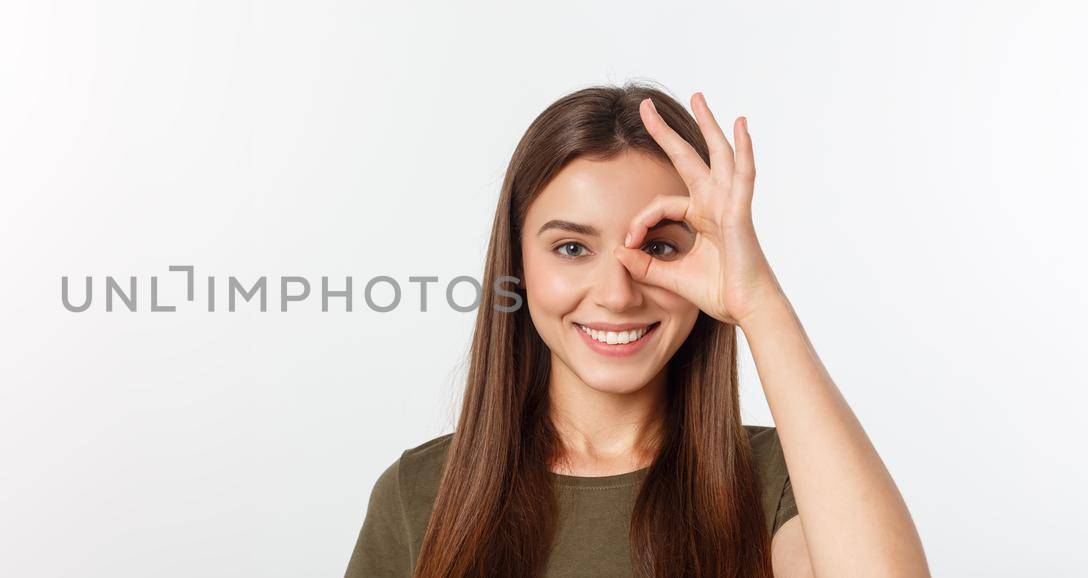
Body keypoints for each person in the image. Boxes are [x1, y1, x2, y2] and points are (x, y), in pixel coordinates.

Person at [343, 82, 930, 578]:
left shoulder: (784, 484)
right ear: (518, 266)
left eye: (657, 247)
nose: (618, 295)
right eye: (572, 247)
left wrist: (758, 303)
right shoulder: (419, 496)